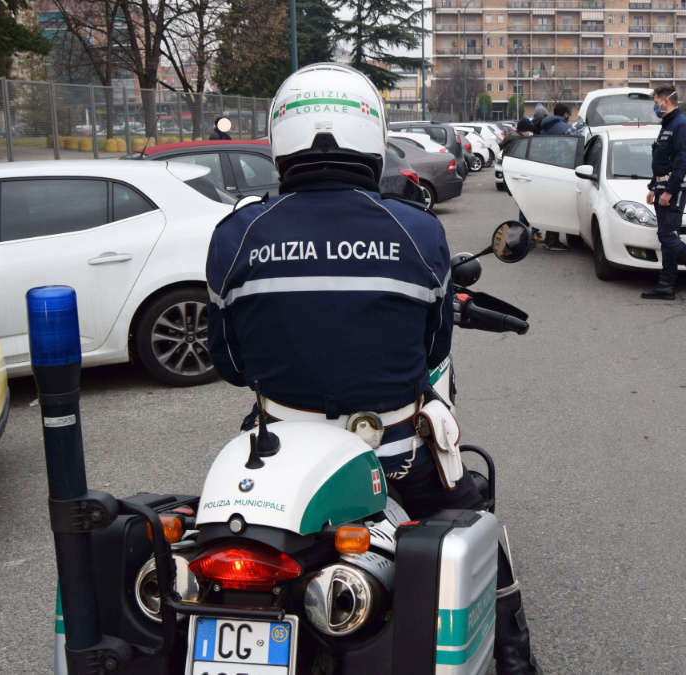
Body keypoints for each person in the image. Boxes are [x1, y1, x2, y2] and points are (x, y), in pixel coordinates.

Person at [205, 63, 540, 675]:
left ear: (281, 138)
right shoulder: (416, 232)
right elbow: (433, 348)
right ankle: (517, 658)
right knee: (482, 530)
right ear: (372, 135)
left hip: (276, 456)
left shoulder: (237, 234)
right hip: (394, 458)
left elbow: (227, 362)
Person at [641, 84, 686, 301]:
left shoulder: (681, 125)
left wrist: (669, 192)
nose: (655, 106)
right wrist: (654, 186)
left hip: (675, 188)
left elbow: (684, 161)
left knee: (667, 235)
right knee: (667, 238)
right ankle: (666, 285)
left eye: (656, 102)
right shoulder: (668, 124)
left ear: (665, 101)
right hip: (663, 186)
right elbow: (663, 159)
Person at [534, 103, 575, 251]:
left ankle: (549, 238)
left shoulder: (543, 128)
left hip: (546, 170)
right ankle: (553, 241)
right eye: (569, 113)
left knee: (552, 205)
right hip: (563, 170)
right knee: (561, 206)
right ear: (565, 114)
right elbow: (576, 148)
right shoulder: (566, 129)